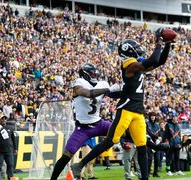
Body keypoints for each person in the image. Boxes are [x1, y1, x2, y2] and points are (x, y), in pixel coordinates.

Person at [71, 28, 173, 180]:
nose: (139, 51)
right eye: (136, 49)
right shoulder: (129, 64)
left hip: (138, 110)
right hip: (126, 108)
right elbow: (152, 60)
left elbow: (159, 62)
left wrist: (167, 45)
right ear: (129, 51)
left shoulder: (137, 64)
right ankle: (80, 164)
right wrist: (159, 43)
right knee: (111, 141)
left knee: (142, 146)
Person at [50, 63, 120, 180]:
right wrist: (109, 89)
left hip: (98, 123)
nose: (95, 76)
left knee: (123, 131)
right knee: (67, 154)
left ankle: (154, 144)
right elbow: (88, 94)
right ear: (85, 74)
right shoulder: (79, 83)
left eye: (96, 74)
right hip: (82, 128)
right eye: (92, 74)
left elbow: (116, 95)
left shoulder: (102, 84)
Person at [0, 115, 16, 180]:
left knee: (10, 165)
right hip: (0, 151)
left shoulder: (10, 127)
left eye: (5, 119)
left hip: (9, 150)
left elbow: (13, 138)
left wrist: (15, 148)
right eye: (2, 119)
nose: (4, 120)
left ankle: (11, 178)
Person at [146, 112, 161, 177]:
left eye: (154, 116)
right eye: (151, 116)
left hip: (156, 143)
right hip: (149, 143)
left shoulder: (157, 125)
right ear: (149, 117)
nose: (153, 117)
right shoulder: (147, 124)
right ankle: (148, 172)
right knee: (149, 159)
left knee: (157, 158)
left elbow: (159, 134)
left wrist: (159, 139)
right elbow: (147, 133)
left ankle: (155, 173)